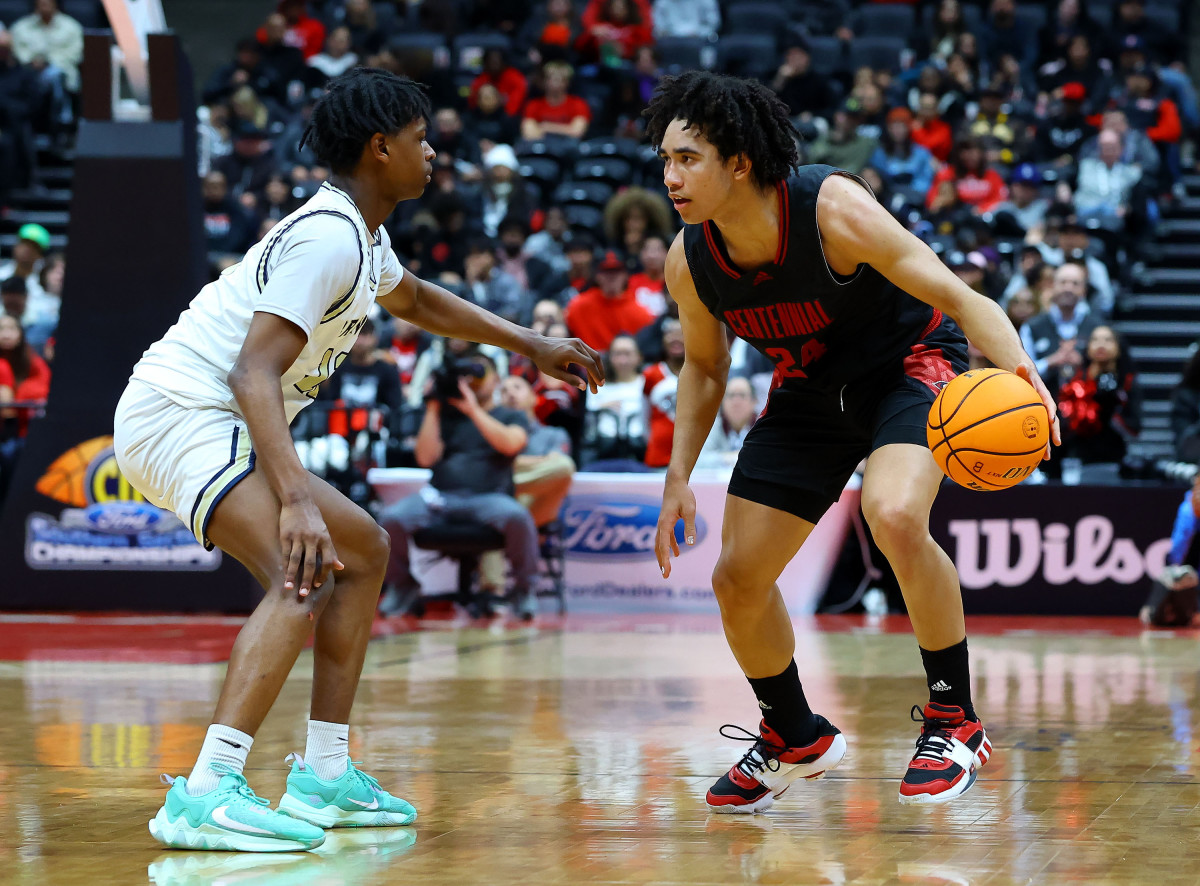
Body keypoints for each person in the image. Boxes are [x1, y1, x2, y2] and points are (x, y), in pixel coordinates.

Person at [113, 69, 602, 853]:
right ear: (380, 148)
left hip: (215, 417)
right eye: (420, 140)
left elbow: (418, 301)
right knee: (300, 571)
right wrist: (297, 496)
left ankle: (324, 776)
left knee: (366, 549)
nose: (433, 153)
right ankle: (204, 793)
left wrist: (529, 342)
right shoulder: (327, 237)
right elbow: (251, 373)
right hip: (181, 412)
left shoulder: (361, 235)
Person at [644, 71, 1058, 812]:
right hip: (810, 390)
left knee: (894, 515)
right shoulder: (690, 259)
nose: (671, 177)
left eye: (689, 158)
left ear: (739, 160)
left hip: (909, 365)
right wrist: (678, 475)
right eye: (666, 160)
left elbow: (960, 296)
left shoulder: (831, 209)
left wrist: (1024, 374)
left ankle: (954, 719)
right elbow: (704, 369)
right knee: (736, 578)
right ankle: (792, 733)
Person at [377, 350, 543, 620]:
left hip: (489, 498)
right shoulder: (445, 414)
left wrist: (473, 410)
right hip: (440, 497)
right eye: (465, 377)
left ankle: (524, 590)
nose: (472, 382)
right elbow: (425, 458)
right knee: (391, 518)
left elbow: (511, 444)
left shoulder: (510, 415)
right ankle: (403, 586)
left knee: (518, 517)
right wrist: (433, 406)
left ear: (496, 380)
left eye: (479, 374)